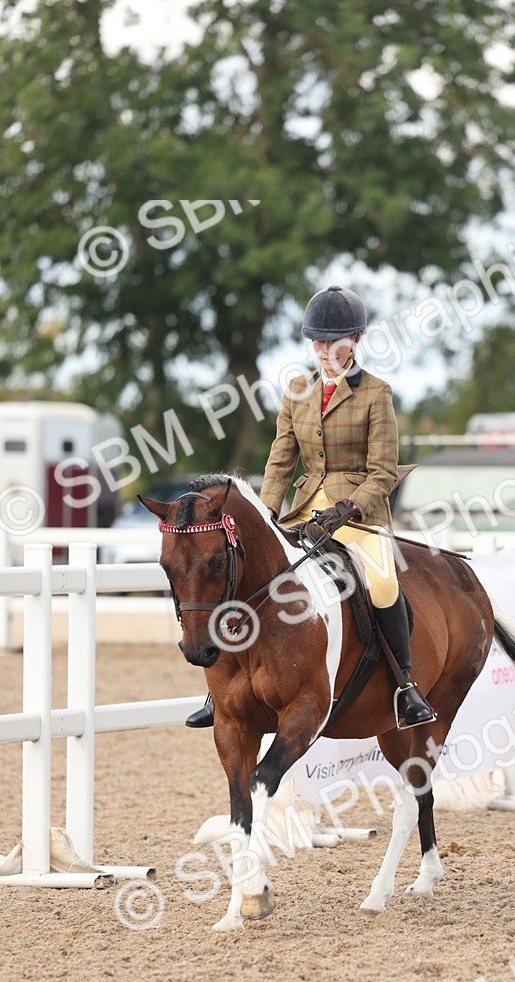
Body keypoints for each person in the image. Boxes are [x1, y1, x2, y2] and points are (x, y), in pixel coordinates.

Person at [186, 284, 436, 730]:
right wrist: (264, 514)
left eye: (333, 342)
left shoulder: (376, 393)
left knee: (382, 584)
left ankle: (405, 686)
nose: (324, 351)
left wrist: (350, 507)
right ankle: (219, 690)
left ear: (355, 339)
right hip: (304, 510)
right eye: (317, 342)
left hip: (357, 516)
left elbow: (383, 471)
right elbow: (281, 460)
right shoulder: (297, 391)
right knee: (249, 574)